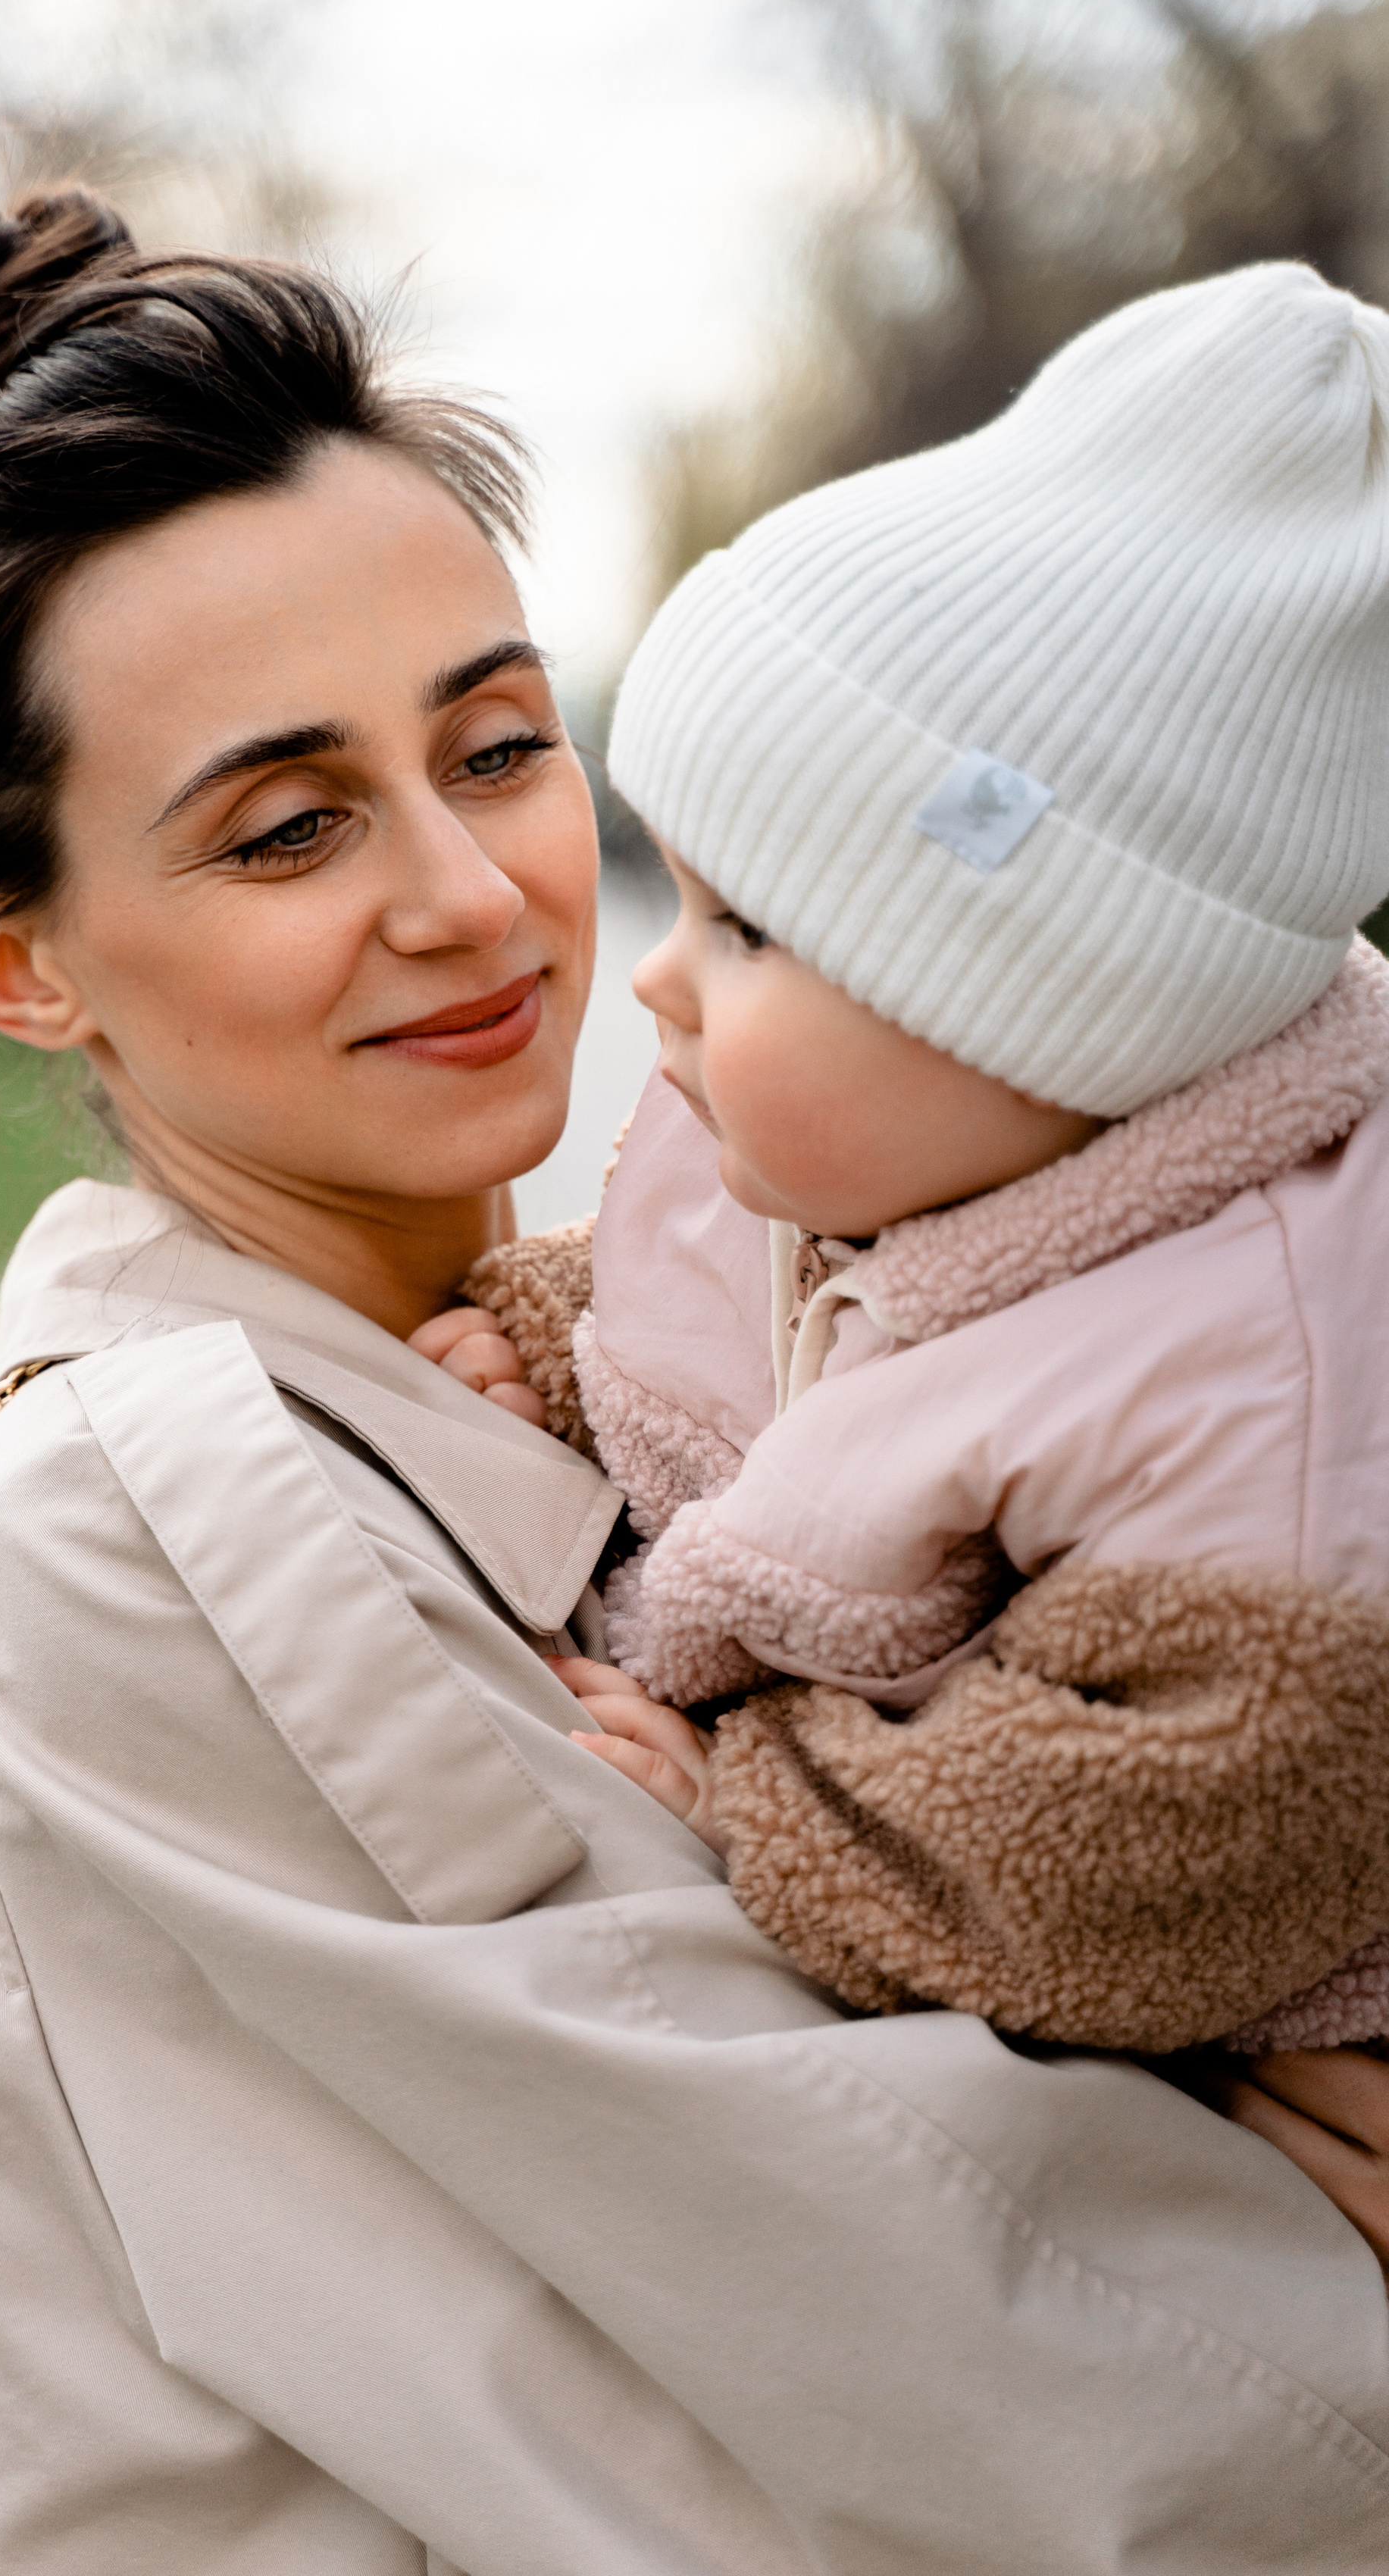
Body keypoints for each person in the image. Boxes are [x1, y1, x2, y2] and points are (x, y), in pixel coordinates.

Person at [0, 191, 1389, 2575]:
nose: (471, 892)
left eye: (496, 744)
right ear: (21, 965)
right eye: (288, 826)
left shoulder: (649, 1361)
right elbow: (1021, 2362)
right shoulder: (157, 1511)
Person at [440, 263, 1389, 2065]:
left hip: (1198, 2088)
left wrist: (755, 1811)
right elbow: (736, 1293)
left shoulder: (1267, 1391)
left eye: (745, 933)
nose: (658, 970)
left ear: (1049, 1009)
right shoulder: (930, 1152)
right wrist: (557, 1341)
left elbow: (1148, 1832)